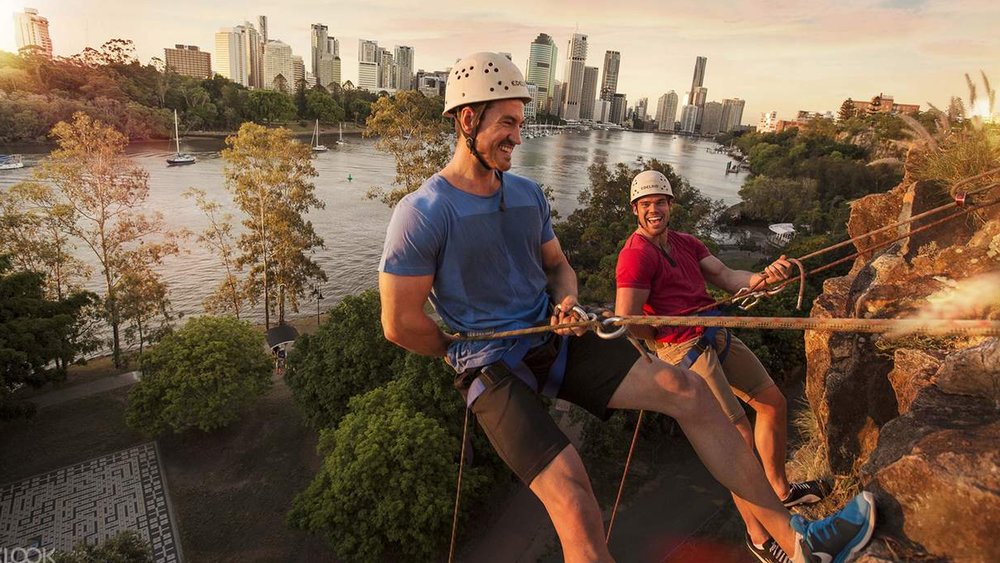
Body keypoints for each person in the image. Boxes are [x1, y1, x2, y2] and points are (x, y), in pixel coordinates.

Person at [378, 51, 874, 563]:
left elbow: (558, 266)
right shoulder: (422, 213)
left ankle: (797, 542)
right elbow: (399, 323)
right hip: (488, 364)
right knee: (574, 501)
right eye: (507, 123)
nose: (519, 137)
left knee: (689, 392)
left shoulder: (527, 195)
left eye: (520, 123)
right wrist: (456, 351)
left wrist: (565, 299)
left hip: (554, 337)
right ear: (467, 119)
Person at [615, 169, 828, 562]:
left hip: (713, 332)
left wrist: (766, 278)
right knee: (736, 441)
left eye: (659, 202)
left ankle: (781, 489)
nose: (653, 210)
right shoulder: (635, 256)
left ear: (670, 205)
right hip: (683, 349)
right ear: (635, 211)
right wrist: (661, 331)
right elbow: (628, 320)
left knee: (772, 402)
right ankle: (760, 537)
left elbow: (729, 278)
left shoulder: (686, 243)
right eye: (645, 205)